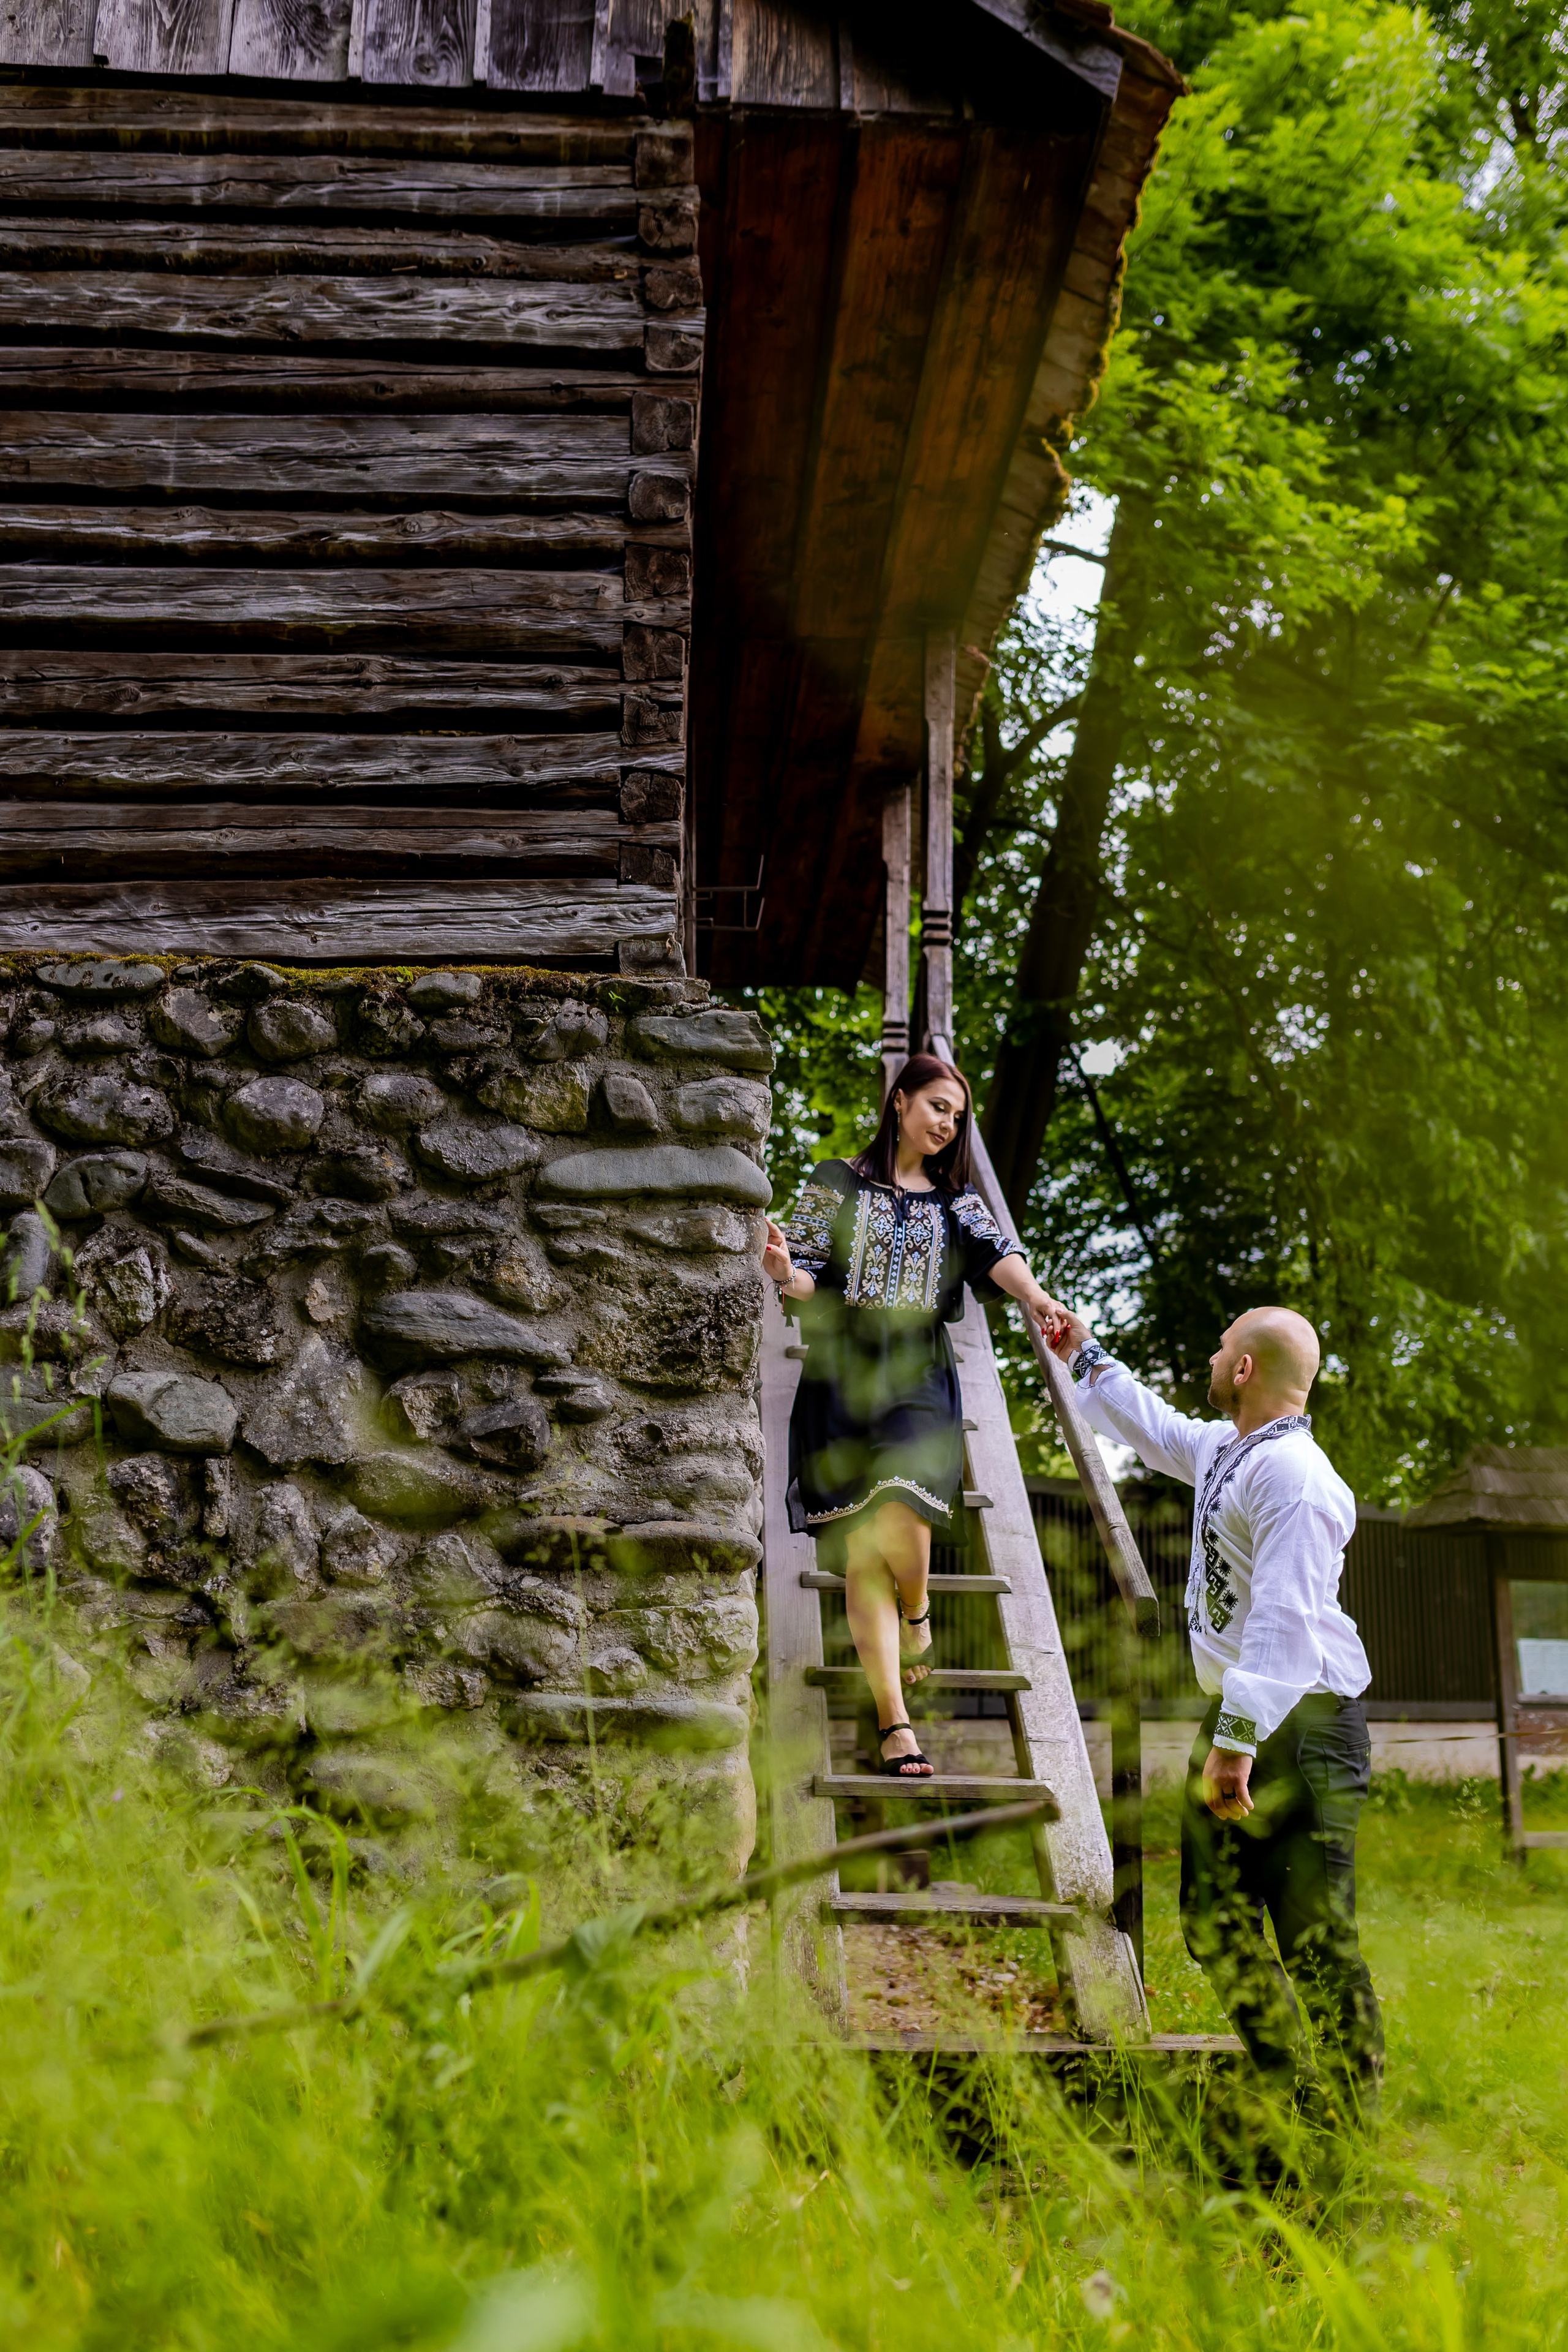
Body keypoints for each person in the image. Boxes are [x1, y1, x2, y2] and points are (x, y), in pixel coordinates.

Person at [1049, 1302, 1384, 2122]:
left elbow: (1283, 1619)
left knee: (1313, 1938)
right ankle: (1294, 2092)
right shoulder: (1229, 1450)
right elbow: (1152, 1426)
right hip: (1242, 1719)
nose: (1210, 1349)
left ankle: (1348, 2126)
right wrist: (1083, 1352)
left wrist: (1235, 1741)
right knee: (1211, 1919)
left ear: (1244, 1369)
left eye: (1222, 1343)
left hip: (1306, 1725)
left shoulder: (1295, 1480)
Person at [761, 1054, 1065, 1779]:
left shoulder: (958, 1199)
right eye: (936, 1107)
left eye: (956, 1117)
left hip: (918, 1378)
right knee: (863, 1553)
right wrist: (781, 1273)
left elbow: (1000, 1255)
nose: (946, 1124)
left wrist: (1038, 1298)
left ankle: (919, 1616)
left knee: (903, 1514)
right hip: (840, 1379)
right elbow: (804, 1273)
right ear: (898, 1103)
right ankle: (895, 1723)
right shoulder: (832, 1180)